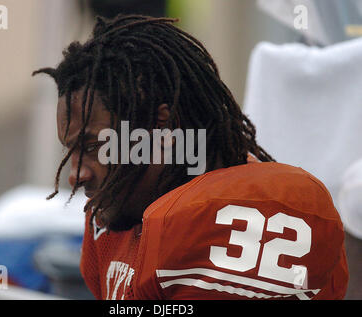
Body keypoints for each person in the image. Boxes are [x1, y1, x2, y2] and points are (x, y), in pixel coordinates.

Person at [32, 14, 348, 300]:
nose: (75, 175)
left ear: (162, 128)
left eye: (92, 147)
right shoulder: (116, 216)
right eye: (70, 151)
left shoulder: (227, 219)